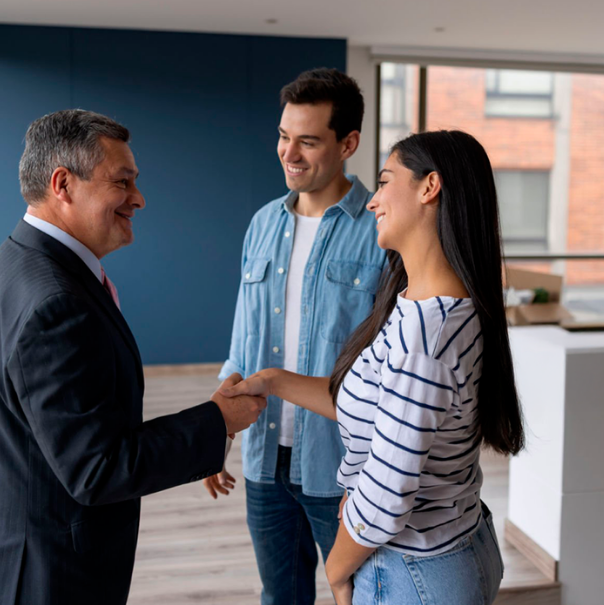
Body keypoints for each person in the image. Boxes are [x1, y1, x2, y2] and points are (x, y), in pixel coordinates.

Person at [0, 109, 266, 605]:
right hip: (43, 578)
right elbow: (96, 469)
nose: (138, 198)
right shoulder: (56, 303)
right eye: (122, 182)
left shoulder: (14, 264)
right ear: (63, 184)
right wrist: (218, 420)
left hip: (14, 559)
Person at [223, 130, 526, 605]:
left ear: (430, 188)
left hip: (413, 571)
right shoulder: (425, 305)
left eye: (385, 183)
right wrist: (273, 381)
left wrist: (338, 570)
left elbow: (384, 498)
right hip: (453, 546)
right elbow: (383, 410)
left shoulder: (426, 335)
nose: (373, 201)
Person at [204, 68, 386, 605]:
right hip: (265, 462)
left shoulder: (381, 229)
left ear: (348, 142)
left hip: (342, 466)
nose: (290, 153)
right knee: (278, 596)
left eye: (308, 140)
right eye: (285, 136)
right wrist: (219, 428)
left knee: (359, 595)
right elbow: (243, 339)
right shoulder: (262, 223)